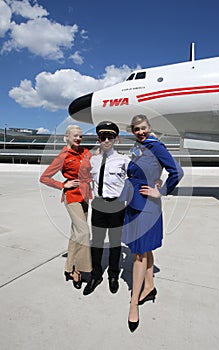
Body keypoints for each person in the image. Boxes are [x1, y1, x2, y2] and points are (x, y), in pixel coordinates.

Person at [119, 115, 184, 332]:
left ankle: (133, 304)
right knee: (143, 250)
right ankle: (150, 286)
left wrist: (162, 190)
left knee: (138, 254)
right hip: (134, 202)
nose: (140, 131)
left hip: (148, 206)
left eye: (143, 128)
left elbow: (177, 171)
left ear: (149, 127)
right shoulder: (139, 147)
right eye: (136, 129)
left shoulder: (155, 146)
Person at [40, 125, 92, 289]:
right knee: (84, 233)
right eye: (75, 136)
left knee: (75, 234)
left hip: (85, 196)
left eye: (80, 136)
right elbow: (45, 177)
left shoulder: (85, 152)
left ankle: (68, 268)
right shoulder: (63, 156)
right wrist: (63, 184)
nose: (78, 138)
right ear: (67, 137)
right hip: (72, 197)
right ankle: (79, 270)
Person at [83, 121, 130, 296]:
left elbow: (135, 179)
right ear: (98, 139)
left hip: (116, 205)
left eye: (110, 136)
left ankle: (113, 276)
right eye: (103, 137)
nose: (106, 140)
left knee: (115, 243)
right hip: (99, 204)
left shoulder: (124, 159)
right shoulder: (93, 160)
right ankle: (96, 275)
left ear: (116, 139)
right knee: (97, 242)